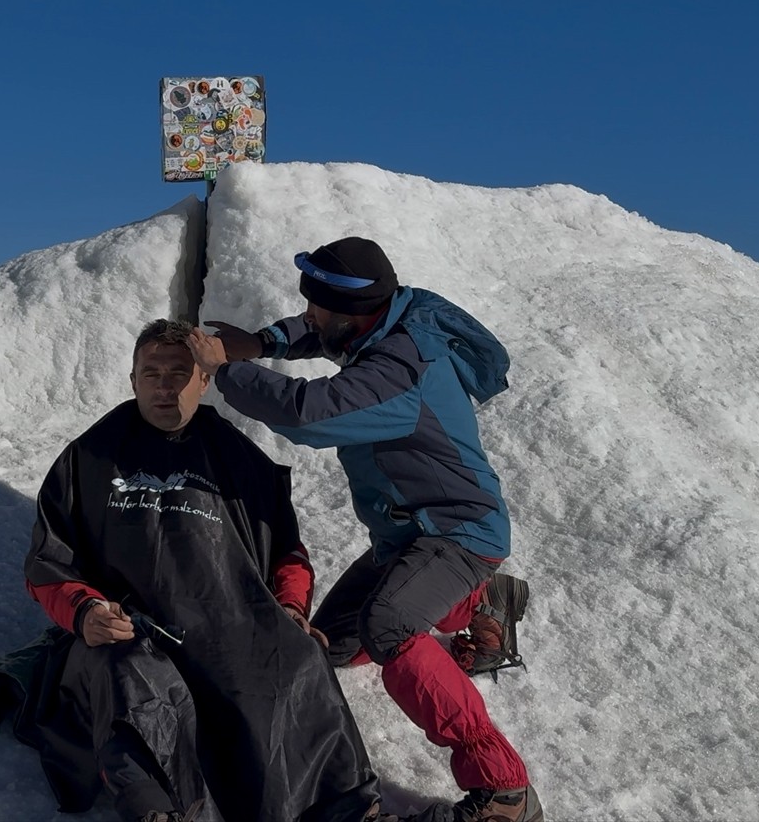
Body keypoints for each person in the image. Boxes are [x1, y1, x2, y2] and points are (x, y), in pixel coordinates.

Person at [185, 237, 544, 822]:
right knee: (325, 650)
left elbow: (308, 412)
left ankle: (505, 790)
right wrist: (264, 341)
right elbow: (314, 331)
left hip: (459, 531)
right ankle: (480, 603)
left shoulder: (400, 366)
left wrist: (228, 370)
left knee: (390, 625)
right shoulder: (377, 324)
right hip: (407, 539)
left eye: (321, 309)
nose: (311, 317)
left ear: (354, 314)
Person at [21, 318, 383, 822]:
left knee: (299, 659)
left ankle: (342, 809)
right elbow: (47, 565)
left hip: (231, 619)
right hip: (132, 628)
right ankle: (166, 811)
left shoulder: (238, 457)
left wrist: (289, 607)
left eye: (179, 373)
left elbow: (287, 553)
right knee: (131, 680)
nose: (165, 387)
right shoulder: (87, 458)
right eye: (152, 374)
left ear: (205, 380)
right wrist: (84, 613)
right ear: (132, 379)